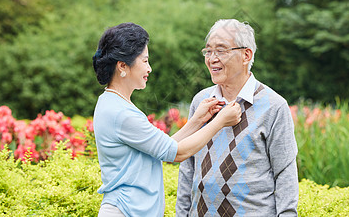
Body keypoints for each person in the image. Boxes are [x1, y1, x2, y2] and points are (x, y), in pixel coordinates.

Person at [92, 22, 242, 217]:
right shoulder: (120, 113)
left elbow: (161, 149)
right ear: (122, 66)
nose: (150, 69)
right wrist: (219, 122)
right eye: (145, 61)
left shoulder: (113, 103)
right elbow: (177, 153)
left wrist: (197, 120)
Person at [176, 19, 299, 216]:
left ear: (246, 55)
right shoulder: (201, 102)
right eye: (208, 51)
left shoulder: (274, 106)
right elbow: (187, 169)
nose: (212, 58)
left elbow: (285, 173)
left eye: (221, 50)